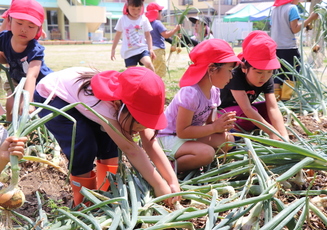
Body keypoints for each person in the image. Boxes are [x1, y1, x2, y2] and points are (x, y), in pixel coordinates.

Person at [34, 66, 181, 207]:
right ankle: (85, 201)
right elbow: (132, 150)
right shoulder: (108, 108)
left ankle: (107, 188)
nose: (140, 129)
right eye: (138, 122)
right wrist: (159, 185)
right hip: (52, 96)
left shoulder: (131, 101)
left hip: (80, 97)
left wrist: (172, 180)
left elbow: (150, 142)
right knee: (83, 143)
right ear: (117, 105)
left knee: (111, 138)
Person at [157, 39, 240, 173]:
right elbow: (182, 131)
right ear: (212, 69)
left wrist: (221, 125)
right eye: (230, 70)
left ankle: (190, 157)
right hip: (168, 138)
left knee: (228, 140)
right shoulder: (191, 93)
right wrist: (214, 127)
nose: (231, 76)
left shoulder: (214, 91)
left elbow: (209, 124)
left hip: (186, 136)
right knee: (206, 154)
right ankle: (167, 168)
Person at [219, 31, 289, 141]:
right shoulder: (234, 75)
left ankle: (254, 130)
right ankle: (236, 135)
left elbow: (273, 107)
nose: (264, 77)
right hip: (222, 113)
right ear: (244, 68)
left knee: (266, 109)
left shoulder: (266, 76)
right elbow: (246, 109)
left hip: (243, 112)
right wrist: (271, 132)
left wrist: (283, 135)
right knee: (248, 114)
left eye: (269, 72)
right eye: (259, 72)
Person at [0, 0, 53, 122]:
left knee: (28, 109)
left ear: (38, 29)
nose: (24, 29)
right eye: (19, 23)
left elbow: (32, 76)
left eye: (31, 26)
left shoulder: (35, 49)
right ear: (9, 21)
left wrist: (28, 102)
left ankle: (31, 131)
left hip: (38, 84)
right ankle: (10, 133)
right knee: (11, 105)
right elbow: (4, 58)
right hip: (16, 79)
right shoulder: (4, 39)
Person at [270, 0, 318, 101]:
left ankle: (275, 101)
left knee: (278, 75)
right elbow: (295, 29)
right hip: (288, 47)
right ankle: (287, 100)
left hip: (276, 48)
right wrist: (311, 19)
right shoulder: (292, 8)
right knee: (291, 75)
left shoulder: (274, 10)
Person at [110, 0, 156, 72]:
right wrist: (113, 49)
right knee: (132, 72)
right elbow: (117, 35)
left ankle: (154, 80)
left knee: (148, 63)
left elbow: (148, 35)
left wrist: (150, 49)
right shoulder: (123, 19)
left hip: (141, 49)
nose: (136, 11)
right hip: (128, 52)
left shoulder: (144, 19)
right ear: (127, 7)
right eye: (133, 9)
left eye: (139, 9)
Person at [145, 2, 181, 78]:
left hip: (149, 51)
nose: (161, 13)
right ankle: (158, 87)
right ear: (156, 13)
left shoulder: (147, 23)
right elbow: (166, 35)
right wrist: (176, 29)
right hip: (158, 50)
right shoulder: (157, 23)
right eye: (160, 12)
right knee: (159, 71)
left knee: (151, 70)